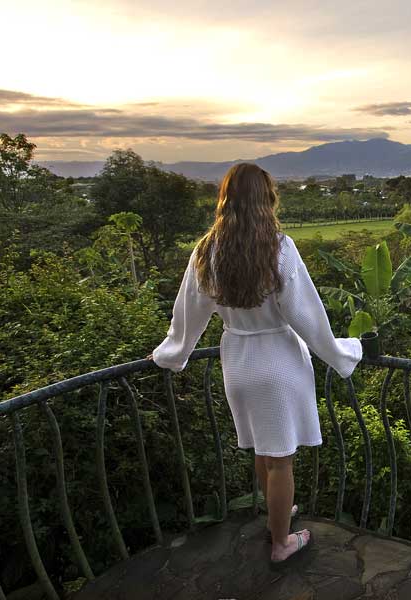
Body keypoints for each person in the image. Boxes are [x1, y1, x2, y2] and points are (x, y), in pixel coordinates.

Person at [148, 163, 363, 565]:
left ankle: (276, 518)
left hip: (238, 362)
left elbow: (188, 315)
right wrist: (341, 352)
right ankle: (281, 543)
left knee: (265, 451)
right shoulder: (278, 247)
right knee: (281, 460)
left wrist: (171, 353)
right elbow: (306, 316)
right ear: (267, 198)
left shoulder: (207, 250)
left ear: (225, 198)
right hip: (278, 359)